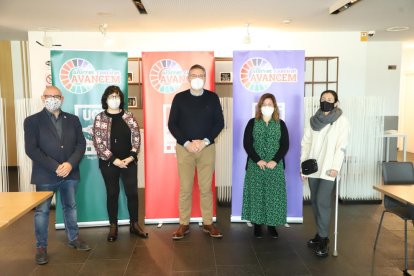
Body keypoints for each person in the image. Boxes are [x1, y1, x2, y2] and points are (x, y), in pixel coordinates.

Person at [24, 86, 91, 265]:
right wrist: (56, 167)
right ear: (42, 97)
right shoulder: (32, 121)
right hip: (45, 175)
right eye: (48, 96)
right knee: (42, 211)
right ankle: (41, 247)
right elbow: (31, 149)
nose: (52, 98)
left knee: (70, 206)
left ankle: (74, 238)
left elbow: (81, 145)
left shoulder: (73, 119)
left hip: (70, 173)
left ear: (62, 98)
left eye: (56, 96)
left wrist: (69, 164)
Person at [168, 64, 225, 240]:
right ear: (188, 77)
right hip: (185, 149)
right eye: (194, 75)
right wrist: (186, 143)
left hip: (206, 149)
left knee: (206, 188)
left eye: (201, 75)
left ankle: (208, 222)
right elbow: (172, 124)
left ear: (205, 77)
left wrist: (205, 141)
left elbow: (219, 123)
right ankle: (183, 224)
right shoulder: (179, 98)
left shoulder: (213, 98)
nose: (197, 78)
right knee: (185, 188)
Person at [92, 85, 148, 242]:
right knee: (112, 193)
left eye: (117, 96)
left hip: (129, 162)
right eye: (111, 96)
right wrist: (114, 160)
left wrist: (130, 157)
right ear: (106, 99)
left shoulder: (129, 116)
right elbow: (98, 142)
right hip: (109, 163)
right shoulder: (100, 118)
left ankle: (134, 224)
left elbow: (136, 138)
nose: (114, 99)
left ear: (121, 99)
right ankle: (113, 226)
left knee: (132, 194)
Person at [300, 90, 350, 257]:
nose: (326, 101)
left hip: (329, 168)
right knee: (314, 202)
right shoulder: (313, 121)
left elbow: (341, 146)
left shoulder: (341, 121)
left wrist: (336, 166)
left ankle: (323, 239)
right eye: (323, 99)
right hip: (313, 168)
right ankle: (320, 232)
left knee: (322, 202)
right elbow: (305, 144)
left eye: (329, 99)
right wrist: (303, 167)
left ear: (336, 103)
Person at [241, 93, 290, 239]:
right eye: (264, 104)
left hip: (275, 166)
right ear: (260, 106)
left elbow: (285, 145)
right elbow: (247, 144)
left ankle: (272, 225)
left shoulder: (281, 124)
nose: (267, 107)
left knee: (273, 195)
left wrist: (275, 160)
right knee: (257, 195)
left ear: (274, 107)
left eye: (270, 104)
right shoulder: (252, 122)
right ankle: (257, 225)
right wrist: (258, 160)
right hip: (256, 165)